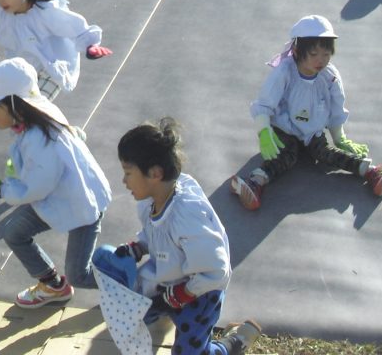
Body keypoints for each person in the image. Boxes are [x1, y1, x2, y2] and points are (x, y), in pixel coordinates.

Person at [90, 119, 262, 355]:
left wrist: (182, 295)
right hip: (166, 281)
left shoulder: (187, 217)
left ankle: (231, 344)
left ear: (155, 173)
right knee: (136, 310)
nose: (124, 181)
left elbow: (216, 271)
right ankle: (164, 311)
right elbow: (155, 235)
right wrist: (137, 248)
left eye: (128, 173)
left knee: (190, 352)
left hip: (199, 292)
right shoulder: (151, 200)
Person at [0, 58, 112, 307]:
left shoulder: (39, 139)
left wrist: (0, 189)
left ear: (14, 104)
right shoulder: (39, 116)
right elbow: (74, 134)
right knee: (15, 232)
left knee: (80, 274)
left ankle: (132, 281)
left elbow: (35, 188)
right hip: (59, 198)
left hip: (81, 204)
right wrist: (21, 166)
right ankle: (54, 286)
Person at [230, 15, 382, 211]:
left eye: (326, 54)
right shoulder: (285, 72)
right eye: (314, 54)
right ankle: (254, 182)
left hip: (312, 132)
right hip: (285, 129)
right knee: (286, 155)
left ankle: (371, 172)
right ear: (297, 51)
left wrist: (339, 136)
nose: (321, 60)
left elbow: (336, 108)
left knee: (326, 153)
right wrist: (264, 131)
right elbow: (264, 104)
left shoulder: (330, 77)